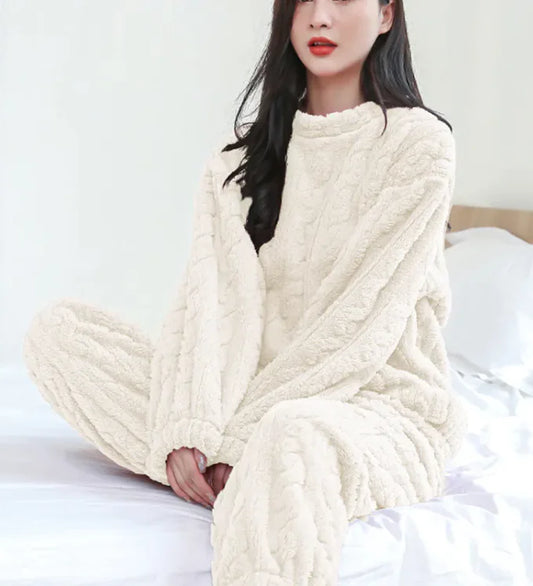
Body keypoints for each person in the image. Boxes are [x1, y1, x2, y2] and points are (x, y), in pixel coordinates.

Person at [23, 0, 468, 584]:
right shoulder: (237, 159)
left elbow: (357, 323)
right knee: (60, 333)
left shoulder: (417, 146)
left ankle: (246, 465)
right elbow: (210, 308)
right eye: (303, 0)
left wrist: (239, 438)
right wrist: (189, 425)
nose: (319, 17)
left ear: (386, 14)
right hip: (242, 398)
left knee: (291, 433)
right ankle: (214, 466)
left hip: (377, 409)